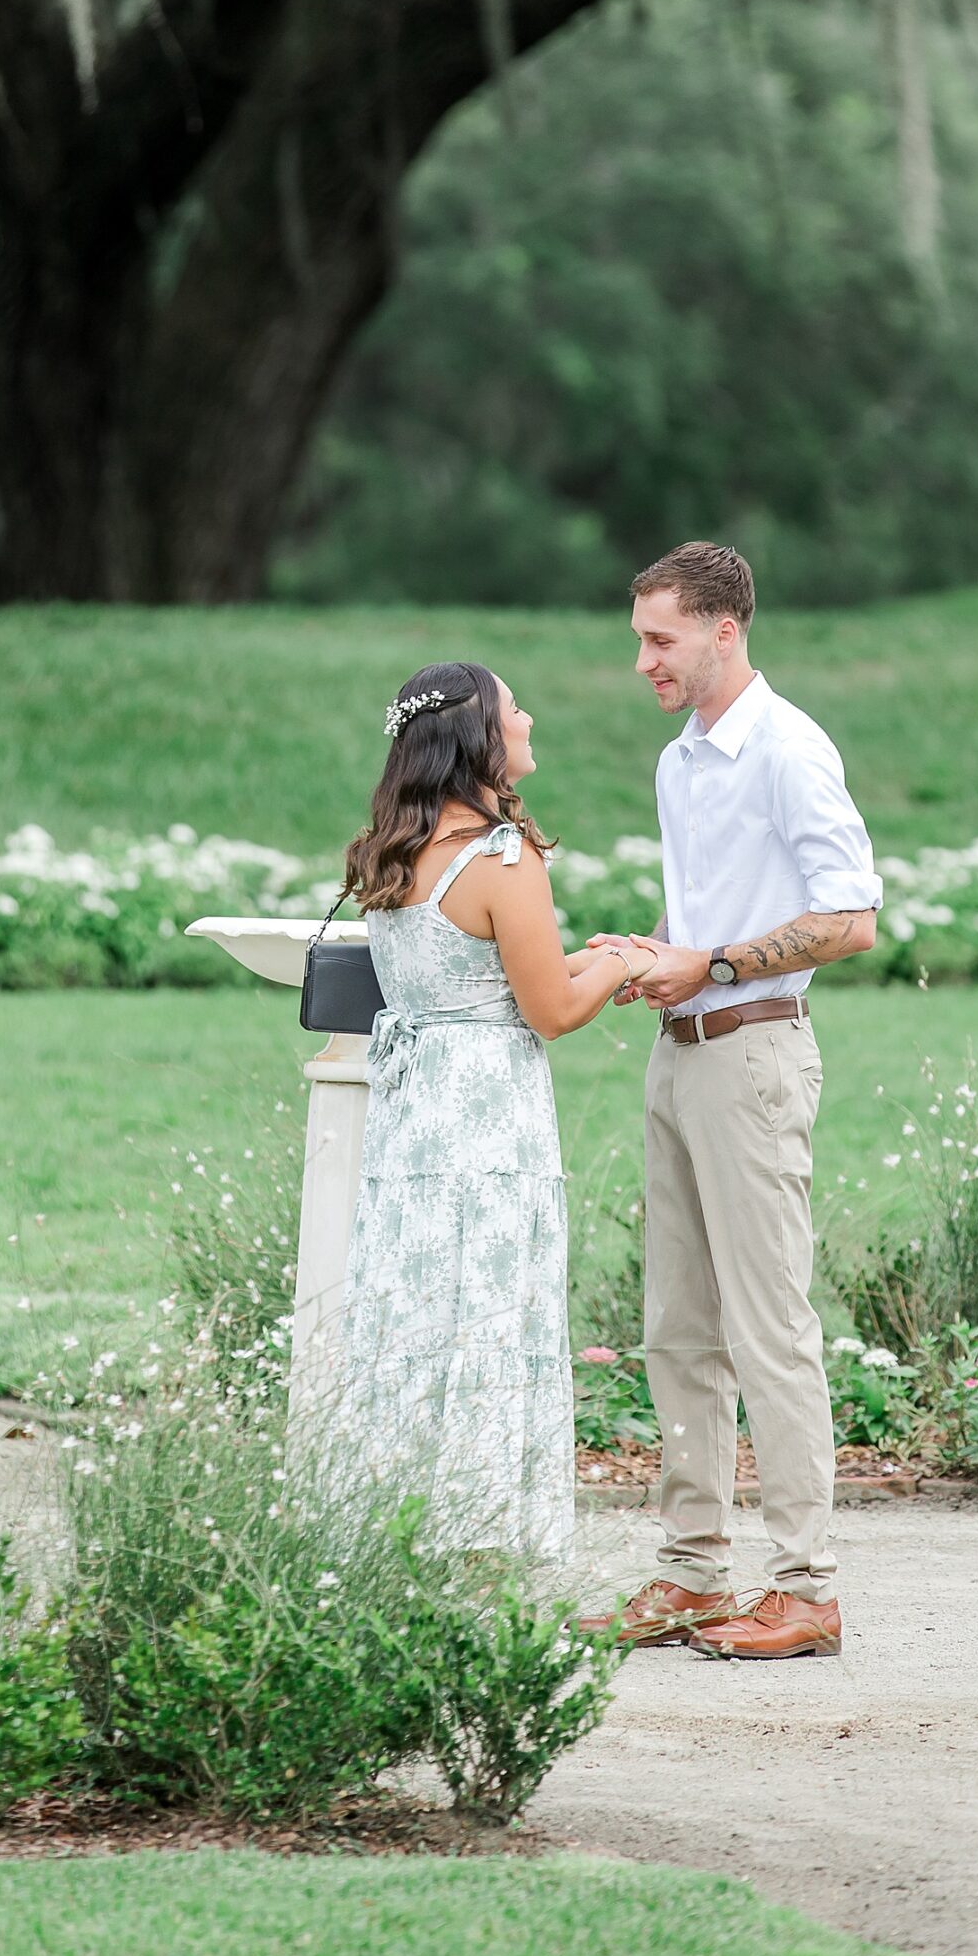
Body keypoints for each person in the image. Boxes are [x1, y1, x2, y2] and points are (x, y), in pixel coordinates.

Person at [580, 543, 882, 1659]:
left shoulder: (790, 750)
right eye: (639, 640)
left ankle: (807, 1587)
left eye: (658, 640)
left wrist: (706, 965)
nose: (644, 661)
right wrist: (658, 958)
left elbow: (850, 919)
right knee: (678, 1330)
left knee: (770, 1331)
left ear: (724, 630)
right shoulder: (679, 762)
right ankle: (693, 1572)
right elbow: (710, 919)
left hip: (754, 1055)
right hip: (678, 1054)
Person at [335, 659, 638, 1561]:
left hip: (415, 1125)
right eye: (515, 709)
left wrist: (605, 953)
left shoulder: (392, 853)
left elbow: (480, 987)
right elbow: (546, 1012)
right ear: (480, 739)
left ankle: (395, 1526)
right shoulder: (504, 859)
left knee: (416, 1311)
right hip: (490, 1129)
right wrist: (626, 965)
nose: (530, 717)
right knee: (490, 1316)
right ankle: (479, 1536)